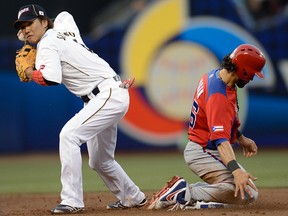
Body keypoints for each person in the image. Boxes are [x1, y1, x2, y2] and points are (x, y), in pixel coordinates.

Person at [14, 4, 146, 214]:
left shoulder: (47, 43)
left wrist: (30, 71)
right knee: (100, 161)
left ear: (44, 22)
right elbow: (66, 14)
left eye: (30, 23)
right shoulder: (63, 27)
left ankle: (72, 201)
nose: (26, 29)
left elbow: (50, 78)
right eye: (22, 26)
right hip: (108, 93)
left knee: (68, 136)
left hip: (106, 95)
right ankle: (133, 196)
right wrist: (38, 36)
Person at [147, 44, 266, 210]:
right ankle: (184, 193)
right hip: (203, 151)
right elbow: (221, 140)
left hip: (203, 146)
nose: (252, 78)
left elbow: (222, 120)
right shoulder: (219, 96)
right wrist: (236, 171)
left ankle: (186, 193)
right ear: (244, 70)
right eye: (253, 73)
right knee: (248, 193)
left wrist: (240, 137)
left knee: (245, 188)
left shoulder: (216, 76)